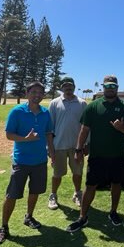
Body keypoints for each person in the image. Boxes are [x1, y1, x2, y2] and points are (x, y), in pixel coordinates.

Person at [66, 75, 124, 233]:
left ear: (117, 88)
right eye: (107, 86)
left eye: (113, 86)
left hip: (118, 155)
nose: (110, 89)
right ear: (103, 87)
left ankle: (113, 212)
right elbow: (84, 130)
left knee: (116, 184)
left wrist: (121, 128)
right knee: (90, 186)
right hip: (97, 155)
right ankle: (82, 217)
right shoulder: (93, 106)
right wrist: (78, 149)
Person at [0, 81, 54, 245]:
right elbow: (9, 134)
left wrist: (52, 154)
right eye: (34, 92)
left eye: (40, 92)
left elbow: (48, 134)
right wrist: (26, 139)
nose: (37, 95)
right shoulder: (17, 111)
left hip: (40, 161)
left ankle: (29, 217)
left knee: (35, 191)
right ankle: (4, 227)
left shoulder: (45, 113)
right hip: (21, 161)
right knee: (12, 194)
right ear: (27, 94)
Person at [47, 76, 86, 210]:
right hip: (59, 145)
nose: (68, 88)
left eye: (70, 85)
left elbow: (85, 125)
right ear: (62, 88)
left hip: (77, 146)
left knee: (78, 172)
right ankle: (53, 195)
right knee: (57, 174)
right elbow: (50, 127)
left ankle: (77, 193)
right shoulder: (54, 103)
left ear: (74, 87)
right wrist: (49, 147)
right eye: (65, 86)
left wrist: (85, 144)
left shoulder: (82, 103)